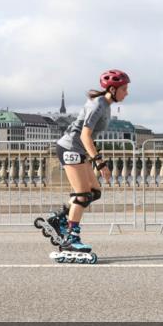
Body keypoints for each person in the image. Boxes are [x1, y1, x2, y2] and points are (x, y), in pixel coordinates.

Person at [53, 69, 131, 253]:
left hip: (78, 149)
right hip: (70, 148)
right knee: (82, 195)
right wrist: (99, 162)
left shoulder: (106, 104)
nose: (127, 93)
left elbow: (89, 136)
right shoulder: (98, 105)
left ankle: (60, 219)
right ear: (112, 89)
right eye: (124, 89)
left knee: (94, 192)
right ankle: (71, 238)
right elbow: (85, 135)